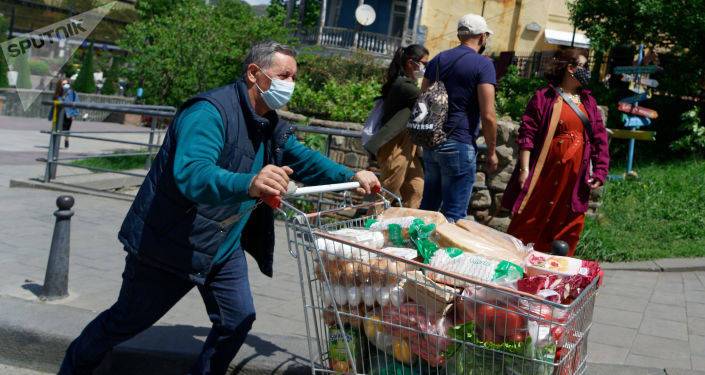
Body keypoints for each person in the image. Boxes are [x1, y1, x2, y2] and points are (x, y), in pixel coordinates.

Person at [59, 41, 381, 375]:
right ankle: (74, 367)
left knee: (238, 318)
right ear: (254, 73)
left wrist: (351, 175)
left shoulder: (269, 122)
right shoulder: (209, 112)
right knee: (126, 320)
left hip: (222, 243)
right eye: (284, 75)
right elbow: (193, 173)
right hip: (170, 244)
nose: (291, 84)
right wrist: (249, 183)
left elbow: (303, 157)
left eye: (294, 76)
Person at [502, 49, 610, 256]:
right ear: (571, 68)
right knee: (531, 218)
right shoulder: (544, 97)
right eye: (584, 67)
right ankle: (516, 264)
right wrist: (524, 169)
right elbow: (528, 134)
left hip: (574, 179)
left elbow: (600, 139)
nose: (587, 72)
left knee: (567, 223)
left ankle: (554, 273)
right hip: (544, 174)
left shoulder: (588, 102)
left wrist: (600, 171)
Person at [418, 13, 499, 222]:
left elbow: (422, 99)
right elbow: (488, 114)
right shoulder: (483, 65)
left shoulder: (437, 59)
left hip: (432, 143)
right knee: (453, 216)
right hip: (459, 143)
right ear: (482, 37)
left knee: (427, 211)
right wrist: (491, 151)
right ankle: (442, 255)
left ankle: (416, 253)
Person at [365, 44, 429, 208]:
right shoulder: (403, 86)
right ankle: (369, 225)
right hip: (395, 145)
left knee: (416, 189)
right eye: (424, 63)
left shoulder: (408, 85)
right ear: (410, 63)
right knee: (388, 191)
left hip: (409, 145)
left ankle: (406, 229)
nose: (425, 68)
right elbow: (428, 100)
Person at [49, 78, 80, 148]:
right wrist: (50, 116)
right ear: (60, 85)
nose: (66, 85)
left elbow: (76, 103)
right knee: (56, 129)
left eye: (67, 84)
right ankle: (55, 143)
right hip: (58, 113)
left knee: (67, 129)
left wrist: (74, 114)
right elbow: (53, 106)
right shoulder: (57, 94)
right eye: (63, 84)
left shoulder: (72, 93)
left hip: (68, 114)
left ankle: (66, 139)